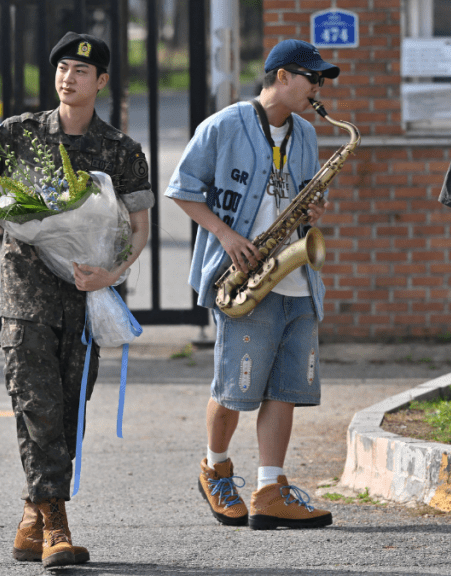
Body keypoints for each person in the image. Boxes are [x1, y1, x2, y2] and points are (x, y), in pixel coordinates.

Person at [0, 33, 153, 568]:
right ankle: (57, 526)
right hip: (28, 298)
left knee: (70, 414)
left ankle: (32, 517)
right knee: (36, 407)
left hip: (86, 300)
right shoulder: (18, 135)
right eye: (61, 68)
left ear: (100, 81)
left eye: (81, 71)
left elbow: (140, 227)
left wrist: (113, 271)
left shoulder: (121, 151)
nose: (68, 77)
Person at [166, 39, 335, 531]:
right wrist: (225, 234)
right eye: (312, 78)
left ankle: (269, 487)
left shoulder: (305, 133)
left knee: (284, 387)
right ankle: (215, 466)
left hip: (297, 276)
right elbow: (182, 189)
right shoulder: (223, 125)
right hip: (243, 277)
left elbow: (307, 195)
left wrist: (314, 212)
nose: (318, 88)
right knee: (235, 386)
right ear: (282, 76)